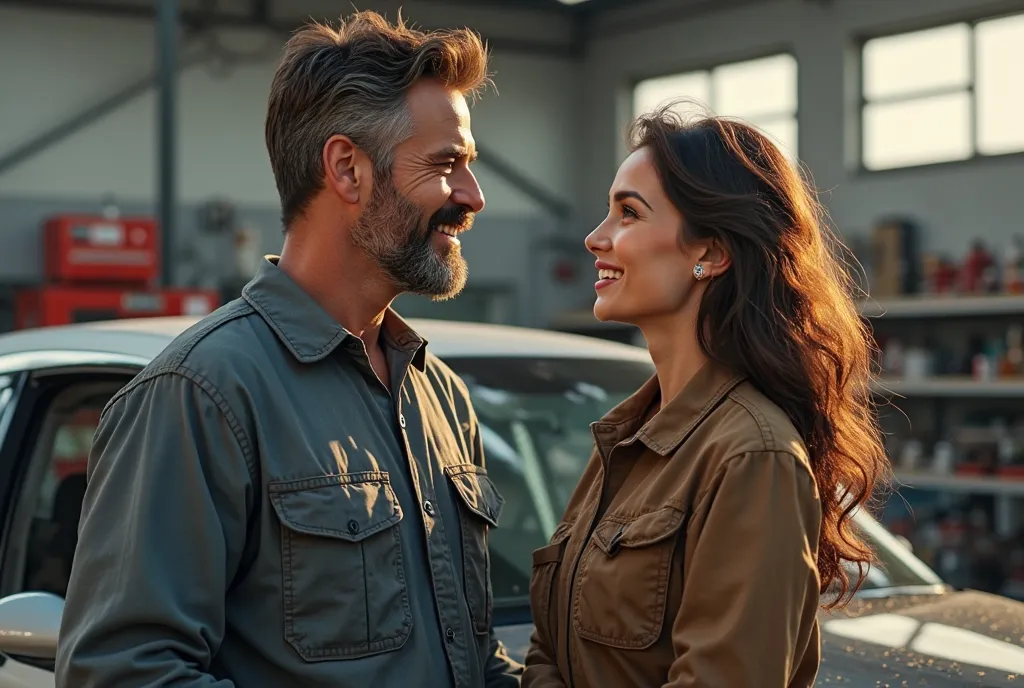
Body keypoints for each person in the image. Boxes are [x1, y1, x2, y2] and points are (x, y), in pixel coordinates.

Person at [56, 11, 522, 688]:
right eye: (447, 165)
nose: (472, 197)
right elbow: (124, 674)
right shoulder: (201, 395)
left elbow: (470, 661)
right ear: (347, 169)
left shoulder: (438, 396)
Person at [523, 104, 889, 688]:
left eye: (629, 213)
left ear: (711, 253)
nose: (596, 238)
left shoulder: (751, 455)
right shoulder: (622, 441)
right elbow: (549, 653)